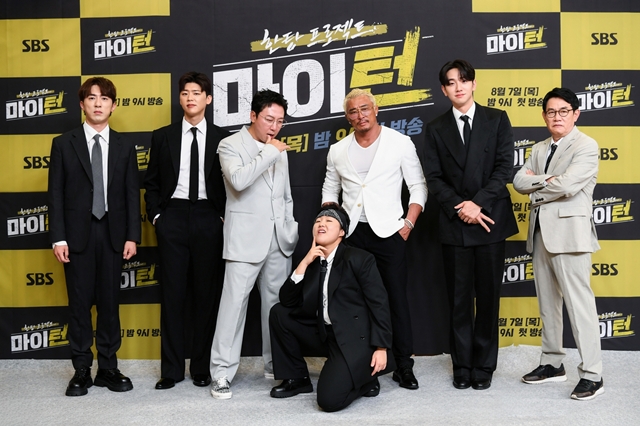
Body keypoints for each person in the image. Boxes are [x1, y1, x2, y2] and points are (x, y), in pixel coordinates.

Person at [321, 88, 427, 390]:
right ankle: (364, 369)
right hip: (352, 235)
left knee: (396, 300)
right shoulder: (338, 150)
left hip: (390, 232)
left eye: (364, 108)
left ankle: (403, 365)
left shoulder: (400, 142)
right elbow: (329, 189)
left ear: (376, 109)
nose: (360, 115)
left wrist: (408, 223)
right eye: (353, 111)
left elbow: (418, 186)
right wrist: (334, 223)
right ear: (347, 117)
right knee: (356, 303)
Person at [423, 59, 518, 390]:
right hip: (455, 223)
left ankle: (484, 365)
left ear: (474, 84)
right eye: (451, 82)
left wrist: (478, 204)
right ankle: (462, 365)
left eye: (464, 80)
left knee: (489, 299)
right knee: (459, 301)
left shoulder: (497, 118)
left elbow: (504, 167)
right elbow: (433, 177)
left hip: (490, 219)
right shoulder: (435, 128)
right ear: (443, 89)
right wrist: (460, 206)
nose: (458, 86)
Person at [48, 77, 140, 396]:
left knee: (110, 304)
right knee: (79, 304)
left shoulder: (125, 145)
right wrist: (58, 237)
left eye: (104, 98)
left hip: (113, 234)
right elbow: (55, 193)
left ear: (113, 105)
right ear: (81, 104)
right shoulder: (63, 143)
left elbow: (132, 194)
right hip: (76, 236)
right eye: (91, 97)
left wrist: (132, 236)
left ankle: (108, 368)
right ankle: (81, 369)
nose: (98, 103)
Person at [513, 87, 603, 401]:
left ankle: (592, 374)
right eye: (551, 112)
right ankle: (552, 363)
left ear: (575, 114)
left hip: (570, 235)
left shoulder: (586, 145)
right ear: (544, 116)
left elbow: (568, 185)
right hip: (540, 233)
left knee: (580, 306)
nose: (557, 117)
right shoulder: (539, 148)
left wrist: (539, 183)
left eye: (564, 111)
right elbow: (519, 181)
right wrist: (547, 180)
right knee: (548, 304)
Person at [209, 89, 299, 399]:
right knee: (233, 307)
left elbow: (285, 195)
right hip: (245, 239)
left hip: (278, 239)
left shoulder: (278, 148)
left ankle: (277, 366)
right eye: (269, 119)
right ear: (253, 116)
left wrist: (289, 227)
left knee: (276, 308)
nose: (274, 127)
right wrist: (270, 152)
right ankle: (221, 373)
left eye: (280, 121)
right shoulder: (230, 145)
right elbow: (238, 181)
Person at [144, 72, 230, 390]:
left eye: (196, 92)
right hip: (173, 217)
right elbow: (151, 182)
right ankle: (171, 369)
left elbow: (232, 183)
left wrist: (221, 217)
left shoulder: (224, 138)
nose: (190, 97)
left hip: (209, 218)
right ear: (179, 99)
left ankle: (202, 367)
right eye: (185, 93)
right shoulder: (162, 136)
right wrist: (157, 217)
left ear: (208, 98)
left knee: (206, 296)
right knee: (172, 295)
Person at [269, 205, 395, 412]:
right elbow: (287, 300)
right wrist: (305, 262)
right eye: (318, 221)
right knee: (279, 313)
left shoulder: (359, 259)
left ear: (342, 231)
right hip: (324, 332)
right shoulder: (312, 261)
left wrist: (381, 348)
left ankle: (366, 379)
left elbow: (379, 304)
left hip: (353, 338)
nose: (321, 224)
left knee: (329, 401)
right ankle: (297, 378)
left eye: (329, 221)